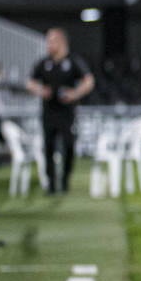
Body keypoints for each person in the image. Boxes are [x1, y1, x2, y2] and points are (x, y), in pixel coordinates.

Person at [25, 28, 93, 194]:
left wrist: (75, 93)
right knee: (48, 147)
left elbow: (89, 80)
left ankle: (65, 180)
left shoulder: (73, 61)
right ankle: (51, 183)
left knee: (69, 146)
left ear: (62, 42)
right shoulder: (44, 63)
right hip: (49, 112)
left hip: (67, 113)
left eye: (52, 41)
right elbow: (30, 83)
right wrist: (41, 91)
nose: (49, 44)